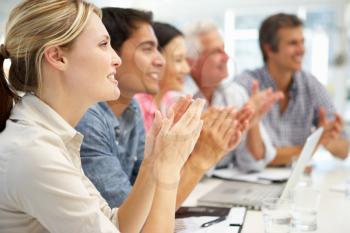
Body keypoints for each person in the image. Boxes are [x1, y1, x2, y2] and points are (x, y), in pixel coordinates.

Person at [0, 1, 205, 232]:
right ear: (57, 57)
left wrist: (154, 160)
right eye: (103, 44)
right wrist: (169, 171)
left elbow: (114, 225)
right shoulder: (34, 153)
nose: (116, 59)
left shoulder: (52, 138)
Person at [76, 7, 248, 211]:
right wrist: (201, 158)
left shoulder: (131, 109)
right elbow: (131, 218)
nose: (160, 61)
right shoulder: (88, 119)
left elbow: (149, 194)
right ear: (113, 53)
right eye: (147, 49)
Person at [235, 13, 349, 165]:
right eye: (293, 43)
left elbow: (344, 150)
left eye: (302, 42)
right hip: (251, 182)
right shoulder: (246, 86)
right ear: (269, 49)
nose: (301, 50)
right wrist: (312, 146)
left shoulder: (310, 84)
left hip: (296, 180)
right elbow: (256, 157)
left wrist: (327, 140)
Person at [184, 20, 284, 171]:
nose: (226, 56)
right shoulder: (179, 98)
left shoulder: (235, 93)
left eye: (224, 49)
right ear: (192, 62)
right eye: (216, 51)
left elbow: (254, 162)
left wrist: (253, 122)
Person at [135, 22, 190, 132]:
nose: (187, 69)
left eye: (185, 59)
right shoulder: (135, 108)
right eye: (178, 60)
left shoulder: (170, 101)